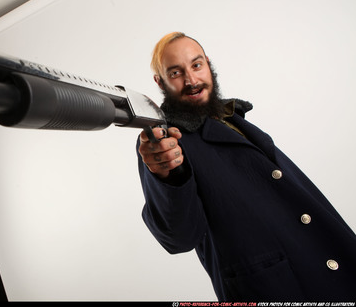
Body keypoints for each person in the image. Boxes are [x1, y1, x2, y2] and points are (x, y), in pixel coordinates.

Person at [136, 32, 356, 301]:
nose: (192, 80)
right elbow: (179, 238)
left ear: (208, 63)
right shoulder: (164, 141)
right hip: (274, 285)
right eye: (175, 73)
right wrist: (166, 176)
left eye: (196, 65)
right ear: (160, 82)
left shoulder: (229, 116)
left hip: (324, 254)